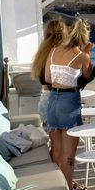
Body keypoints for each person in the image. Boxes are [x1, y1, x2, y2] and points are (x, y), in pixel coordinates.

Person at [44, 18, 93, 190]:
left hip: (52, 101)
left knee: (56, 152)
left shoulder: (53, 51)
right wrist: (86, 53)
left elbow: (48, 77)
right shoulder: (82, 56)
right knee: (69, 155)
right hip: (68, 101)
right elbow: (86, 75)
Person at [31, 19, 68, 163]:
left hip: (45, 100)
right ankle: (61, 178)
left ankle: (59, 176)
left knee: (56, 146)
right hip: (56, 100)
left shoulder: (43, 53)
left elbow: (43, 79)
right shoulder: (59, 54)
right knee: (62, 148)